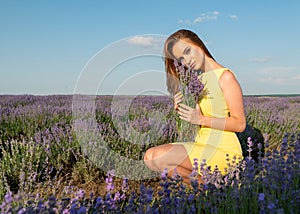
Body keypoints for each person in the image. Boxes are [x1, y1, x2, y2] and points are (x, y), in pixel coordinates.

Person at [143, 29, 246, 184]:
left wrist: (201, 119)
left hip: (223, 150)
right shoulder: (198, 81)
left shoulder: (225, 77)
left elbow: (240, 124)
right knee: (150, 159)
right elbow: (197, 116)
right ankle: (210, 191)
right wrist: (183, 107)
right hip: (202, 143)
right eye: (181, 59)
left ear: (199, 44)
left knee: (156, 156)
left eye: (188, 51)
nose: (187, 60)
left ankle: (209, 192)